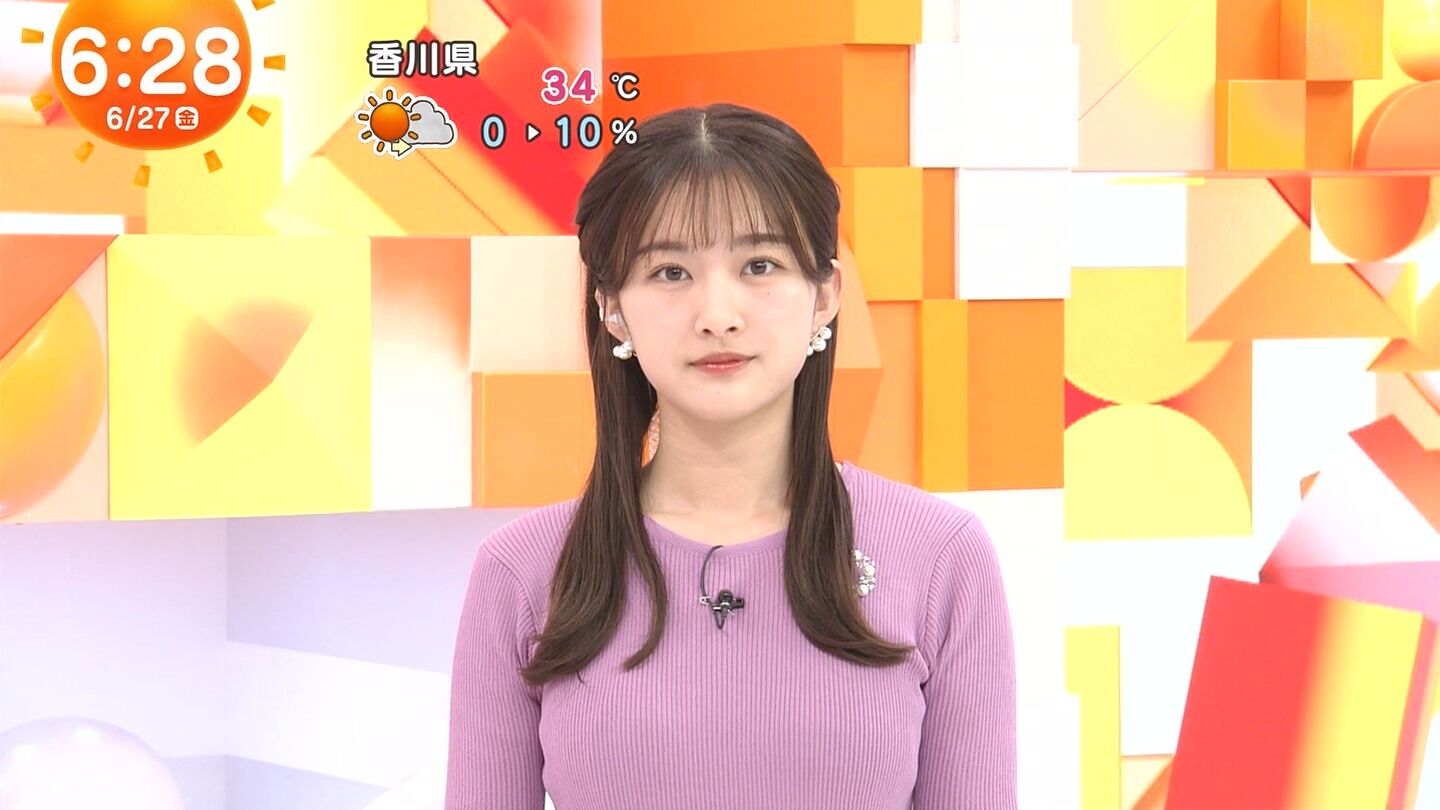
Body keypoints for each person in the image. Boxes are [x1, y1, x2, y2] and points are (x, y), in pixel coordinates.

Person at [444, 102, 1017, 810]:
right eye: (670, 272)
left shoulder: (941, 557)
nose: (718, 315)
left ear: (825, 296)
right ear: (612, 308)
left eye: (759, 265)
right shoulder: (523, 572)